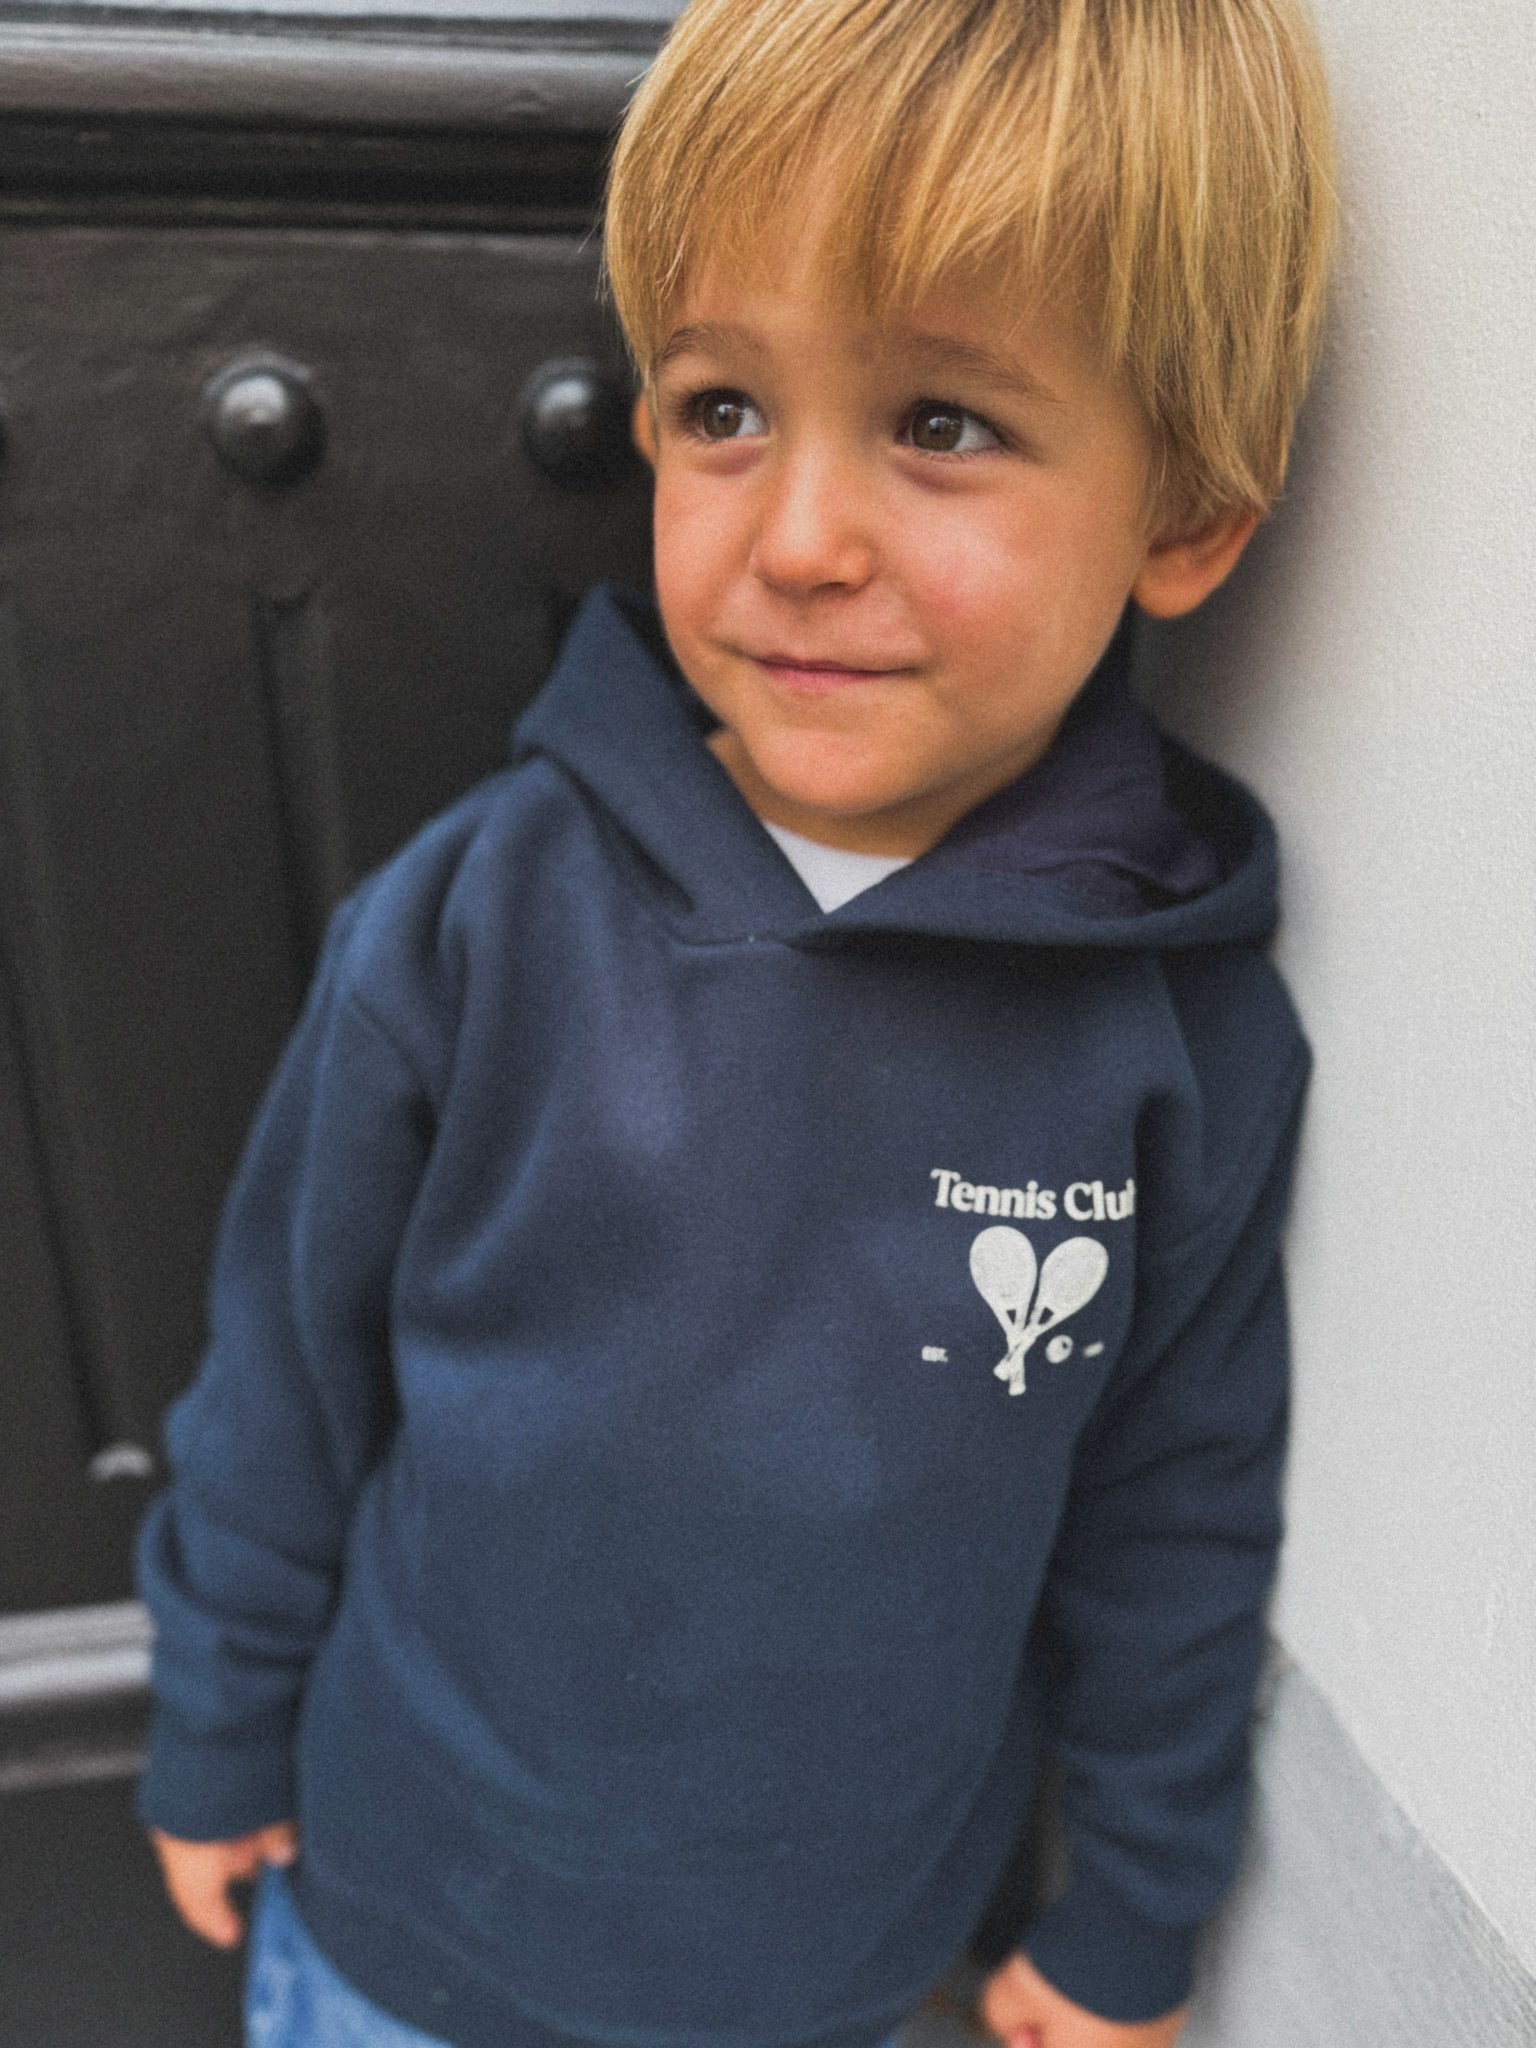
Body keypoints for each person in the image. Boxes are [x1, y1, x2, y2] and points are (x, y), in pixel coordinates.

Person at [136, 3, 1337, 2045]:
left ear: (1186, 519)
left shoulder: (1180, 1037)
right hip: (399, 1922)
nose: (796, 541)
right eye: (722, 408)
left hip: (831, 1980)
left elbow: (1175, 1509)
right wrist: (217, 1713)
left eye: (942, 421)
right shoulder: (475, 917)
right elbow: (284, 1370)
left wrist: (1138, 1902)